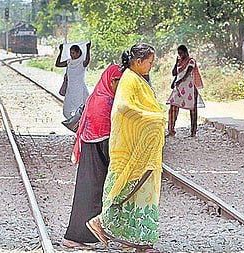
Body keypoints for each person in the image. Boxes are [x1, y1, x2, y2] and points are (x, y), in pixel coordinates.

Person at [86, 43, 165, 253]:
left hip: (144, 149)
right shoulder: (129, 80)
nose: (151, 66)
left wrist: (152, 119)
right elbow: (122, 109)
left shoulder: (138, 79)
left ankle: (141, 243)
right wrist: (153, 119)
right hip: (131, 151)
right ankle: (102, 222)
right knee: (129, 191)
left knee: (143, 194)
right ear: (138, 62)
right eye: (149, 62)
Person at [62, 53, 128, 250]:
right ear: (112, 81)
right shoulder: (104, 102)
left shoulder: (100, 95)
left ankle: (87, 234)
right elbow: (105, 134)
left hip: (92, 149)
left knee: (91, 193)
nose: (120, 87)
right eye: (118, 82)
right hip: (96, 151)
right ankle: (75, 236)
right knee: (91, 194)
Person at [167, 45, 204, 137]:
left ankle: (193, 132)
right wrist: (176, 63)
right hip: (179, 88)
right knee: (173, 107)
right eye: (179, 53)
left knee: (193, 109)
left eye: (181, 53)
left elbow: (188, 72)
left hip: (190, 88)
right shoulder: (179, 61)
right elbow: (174, 73)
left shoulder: (191, 61)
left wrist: (180, 80)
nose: (180, 55)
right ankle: (171, 131)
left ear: (186, 52)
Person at [55, 42, 91, 119]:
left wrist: (88, 49)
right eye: (70, 53)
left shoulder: (82, 62)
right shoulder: (69, 62)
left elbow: (87, 60)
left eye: (73, 53)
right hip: (70, 90)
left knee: (81, 110)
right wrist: (61, 51)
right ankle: (74, 125)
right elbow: (57, 64)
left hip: (80, 90)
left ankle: (79, 127)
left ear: (78, 52)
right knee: (66, 112)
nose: (72, 55)